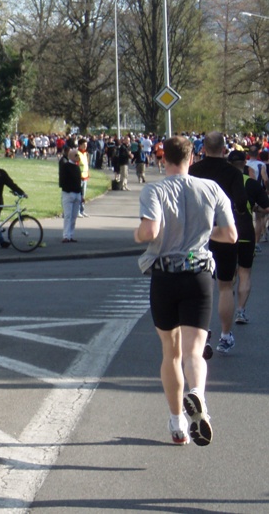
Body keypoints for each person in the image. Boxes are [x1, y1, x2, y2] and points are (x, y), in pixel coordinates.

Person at [134, 136, 236, 446]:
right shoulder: (211, 189)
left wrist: (138, 234)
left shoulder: (154, 189)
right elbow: (231, 235)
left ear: (163, 158)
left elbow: (150, 231)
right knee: (195, 351)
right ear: (192, 158)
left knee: (171, 351)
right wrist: (205, 233)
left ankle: (178, 422)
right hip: (199, 275)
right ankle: (197, 395)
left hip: (165, 275)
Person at [189, 131, 249, 355]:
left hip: (197, 235)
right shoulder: (231, 172)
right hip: (224, 232)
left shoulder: (194, 171)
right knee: (225, 285)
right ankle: (225, 335)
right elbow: (241, 202)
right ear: (224, 149)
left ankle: (202, 332)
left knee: (198, 285)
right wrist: (239, 212)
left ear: (203, 148)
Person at [228, 150, 269, 324]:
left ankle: (226, 304)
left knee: (227, 275)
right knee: (245, 273)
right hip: (245, 232)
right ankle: (240, 310)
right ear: (245, 164)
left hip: (225, 233)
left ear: (229, 164)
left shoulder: (220, 183)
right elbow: (266, 207)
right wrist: (253, 209)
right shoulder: (251, 184)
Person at [60, 148, 82, 243]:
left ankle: (71, 234)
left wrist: (81, 194)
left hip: (77, 193)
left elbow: (79, 182)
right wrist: (68, 189)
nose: (78, 157)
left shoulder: (77, 167)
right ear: (71, 156)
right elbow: (62, 181)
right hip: (68, 193)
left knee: (74, 216)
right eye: (76, 155)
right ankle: (66, 235)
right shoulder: (65, 166)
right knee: (68, 216)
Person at [77, 138, 90, 217]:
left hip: (85, 177)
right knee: (78, 195)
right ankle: (77, 211)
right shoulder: (77, 153)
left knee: (83, 196)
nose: (85, 146)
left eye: (86, 145)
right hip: (79, 177)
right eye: (84, 145)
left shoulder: (85, 153)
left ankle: (82, 210)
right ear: (80, 145)